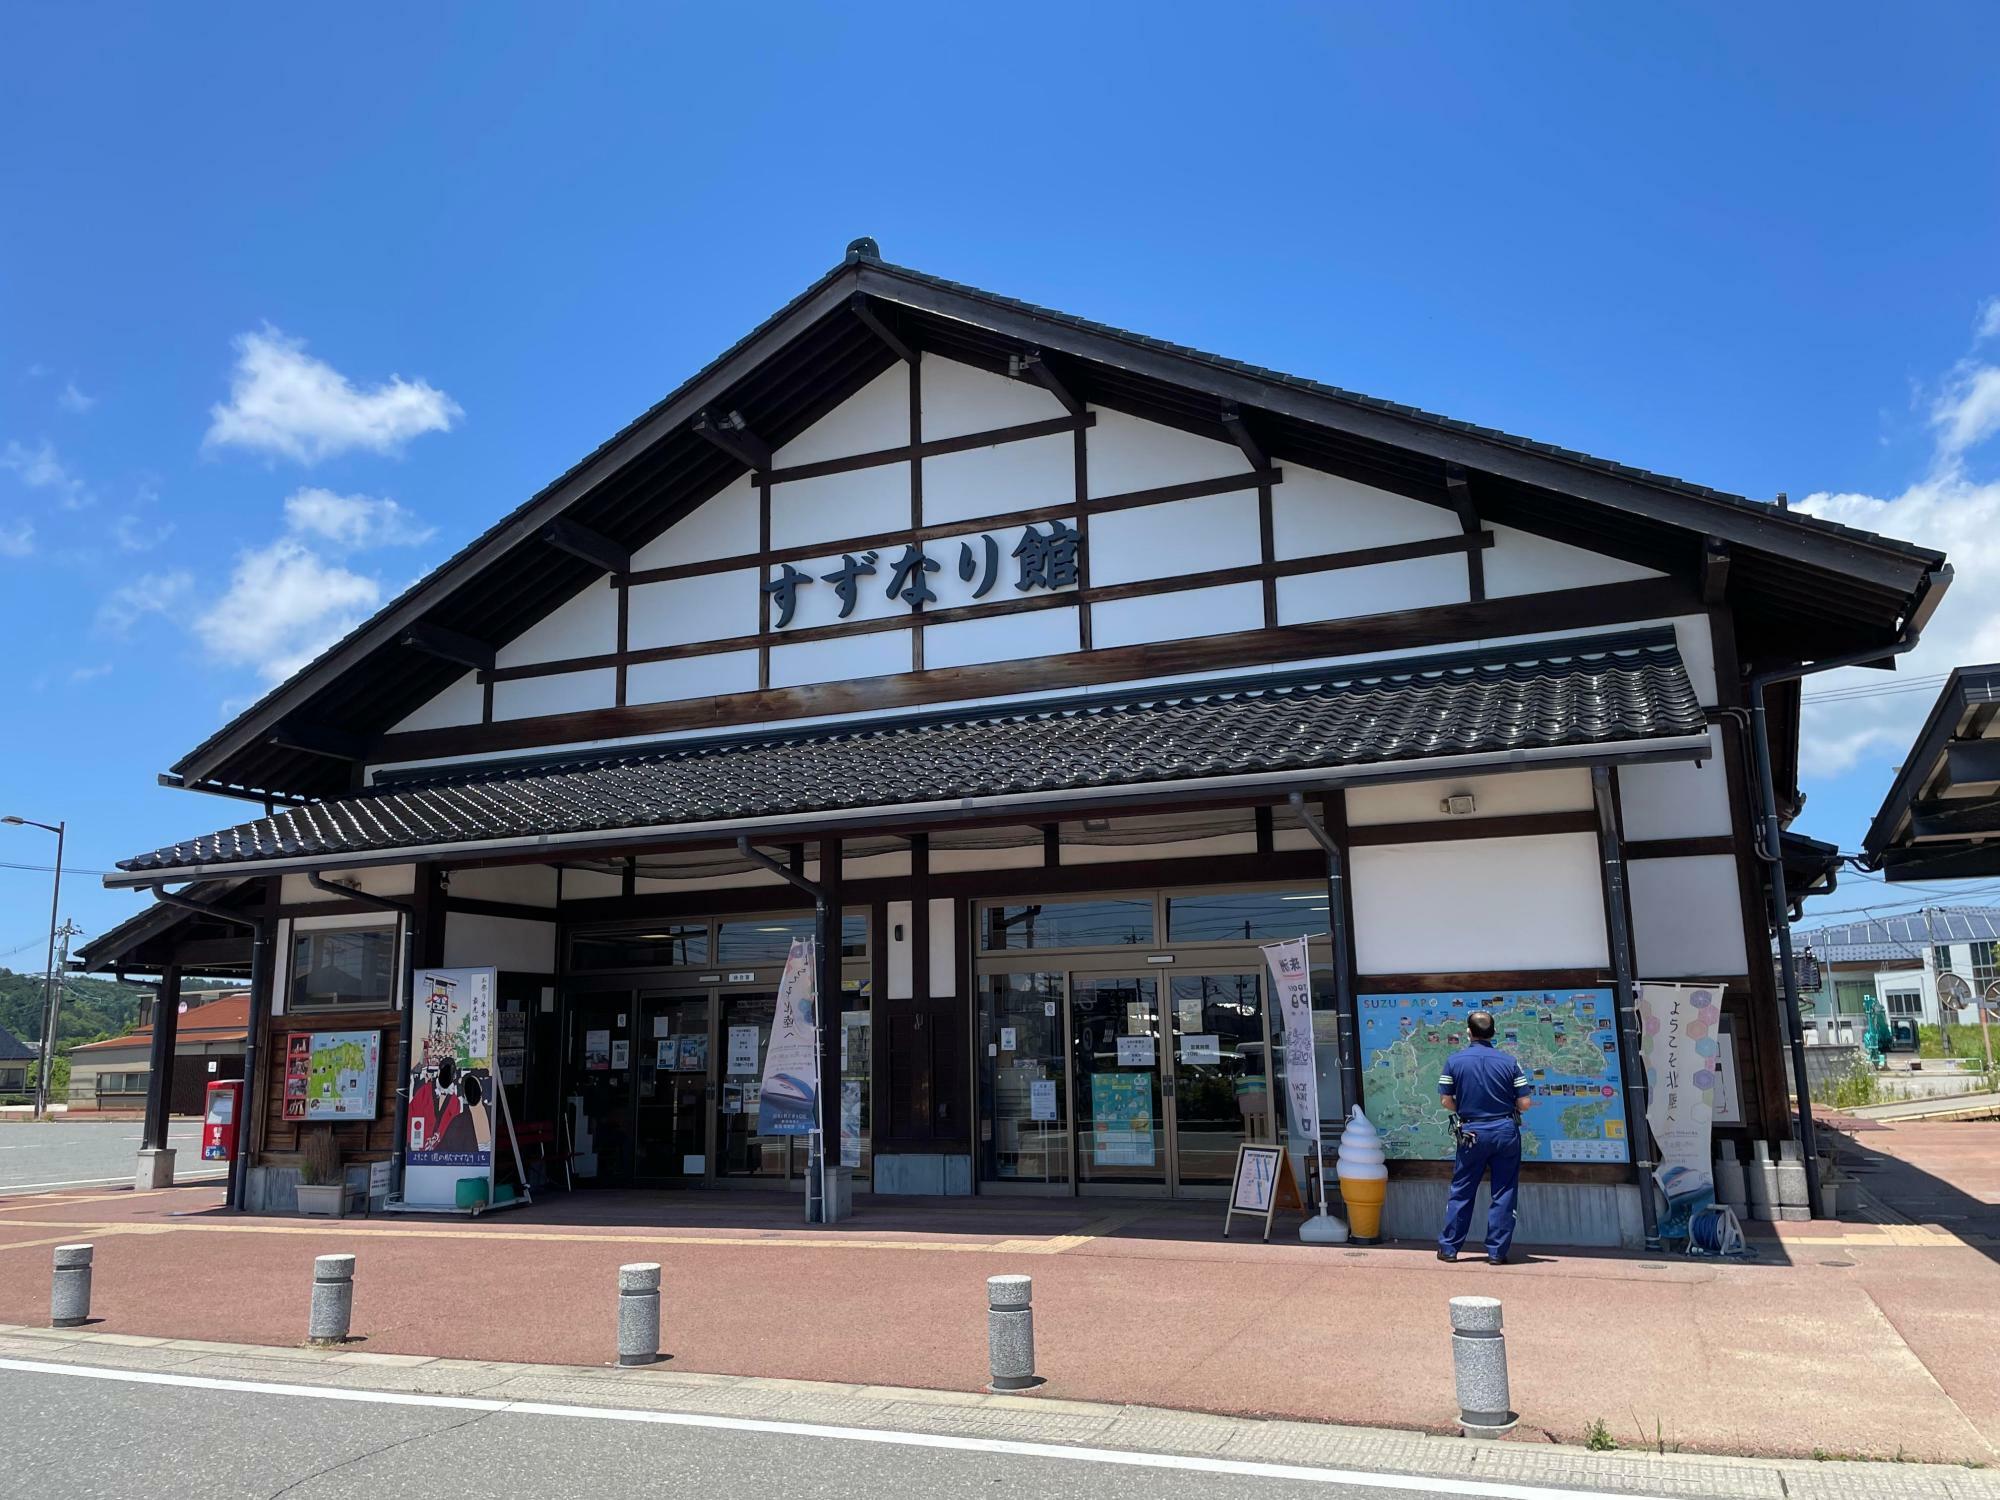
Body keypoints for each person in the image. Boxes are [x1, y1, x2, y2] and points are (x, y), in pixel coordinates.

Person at [1436, 1009, 1532, 1265]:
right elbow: (1524, 1103)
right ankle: (1497, 1252)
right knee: (1504, 1190)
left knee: (1462, 1190)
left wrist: (1465, 1108)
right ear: (1493, 1032)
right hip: (1504, 1130)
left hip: (1471, 1131)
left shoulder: (1454, 1061)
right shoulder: (1509, 1062)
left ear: (1469, 1032)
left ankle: (1449, 1249)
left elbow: (1446, 1099)